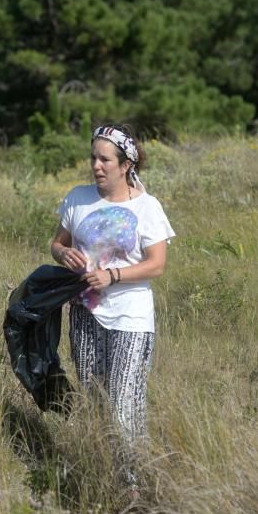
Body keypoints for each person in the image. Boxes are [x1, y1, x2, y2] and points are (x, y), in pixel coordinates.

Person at [50, 124, 175, 446]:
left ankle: (133, 480)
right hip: (85, 313)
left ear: (126, 165)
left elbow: (156, 264)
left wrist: (112, 276)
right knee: (95, 400)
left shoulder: (147, 207)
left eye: (105, 160)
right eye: (93, 158)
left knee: (123, 403)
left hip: (131, 317)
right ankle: (99, 471)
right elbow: (57, 243)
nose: (96, 166)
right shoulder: (78, 198)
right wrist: (64, 254)